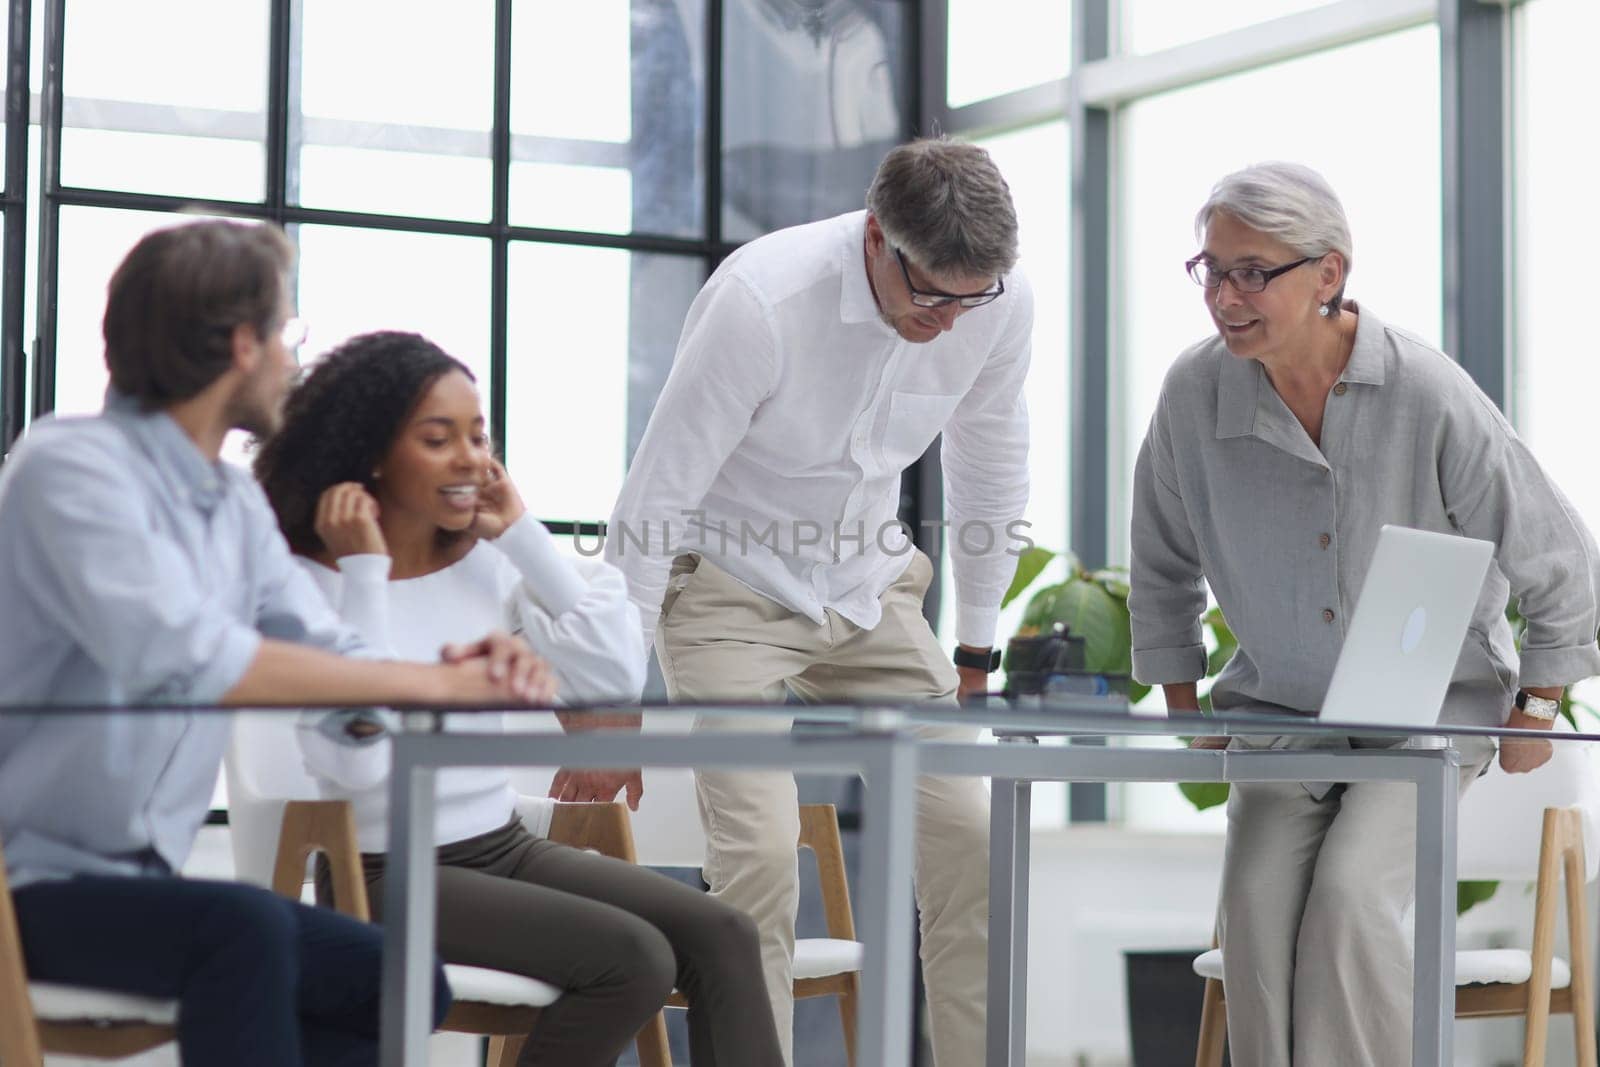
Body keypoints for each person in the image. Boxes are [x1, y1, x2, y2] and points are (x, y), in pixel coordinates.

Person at [0, 221, 551, 1065]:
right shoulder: (68, 467)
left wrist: (445, 673)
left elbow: (335, 663)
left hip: (137, 889)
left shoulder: (232, 501)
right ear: (243, 345)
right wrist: (423, 688)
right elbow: (178, 657)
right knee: (244, 928)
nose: (296, 361)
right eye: (289, 334)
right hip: (25, 884)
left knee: (399, 977)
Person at [1127, 161, 1600, 1065]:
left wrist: (1537, 704)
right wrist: (1182, 703)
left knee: (1348, 898)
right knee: (1257, 923)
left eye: (1251, 272)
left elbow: (1558, 551)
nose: (1225, 296)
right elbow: (1159, 556)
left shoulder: (1426, 390)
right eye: (1211, 270)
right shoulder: (1195, 394)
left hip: (1427, 715)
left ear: (1329, 273)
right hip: (1280, 717)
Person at [606, 136, 1033, 1065]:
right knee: (758, 853)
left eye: (974, 298)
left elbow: (989, 462)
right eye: (931, 294)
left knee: (977, 836)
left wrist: (975, 648)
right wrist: (613, 690)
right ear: (878, 237)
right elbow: (655, 494)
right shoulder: (763, 298)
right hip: (728, 585)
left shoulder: (994, 300)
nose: (951, 320)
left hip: (868, 587)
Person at [253, 330, 785, 1067]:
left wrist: (525, 538)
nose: (471, 456)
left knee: (724, 933)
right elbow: (359, 763)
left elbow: (609, 673)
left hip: (501, 846)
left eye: (479, 435)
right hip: (382, 868)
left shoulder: (481, 561)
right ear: (373, 453)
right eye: (440, 438)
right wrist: (366, 575)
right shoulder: (305, 578)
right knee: (631, 958)